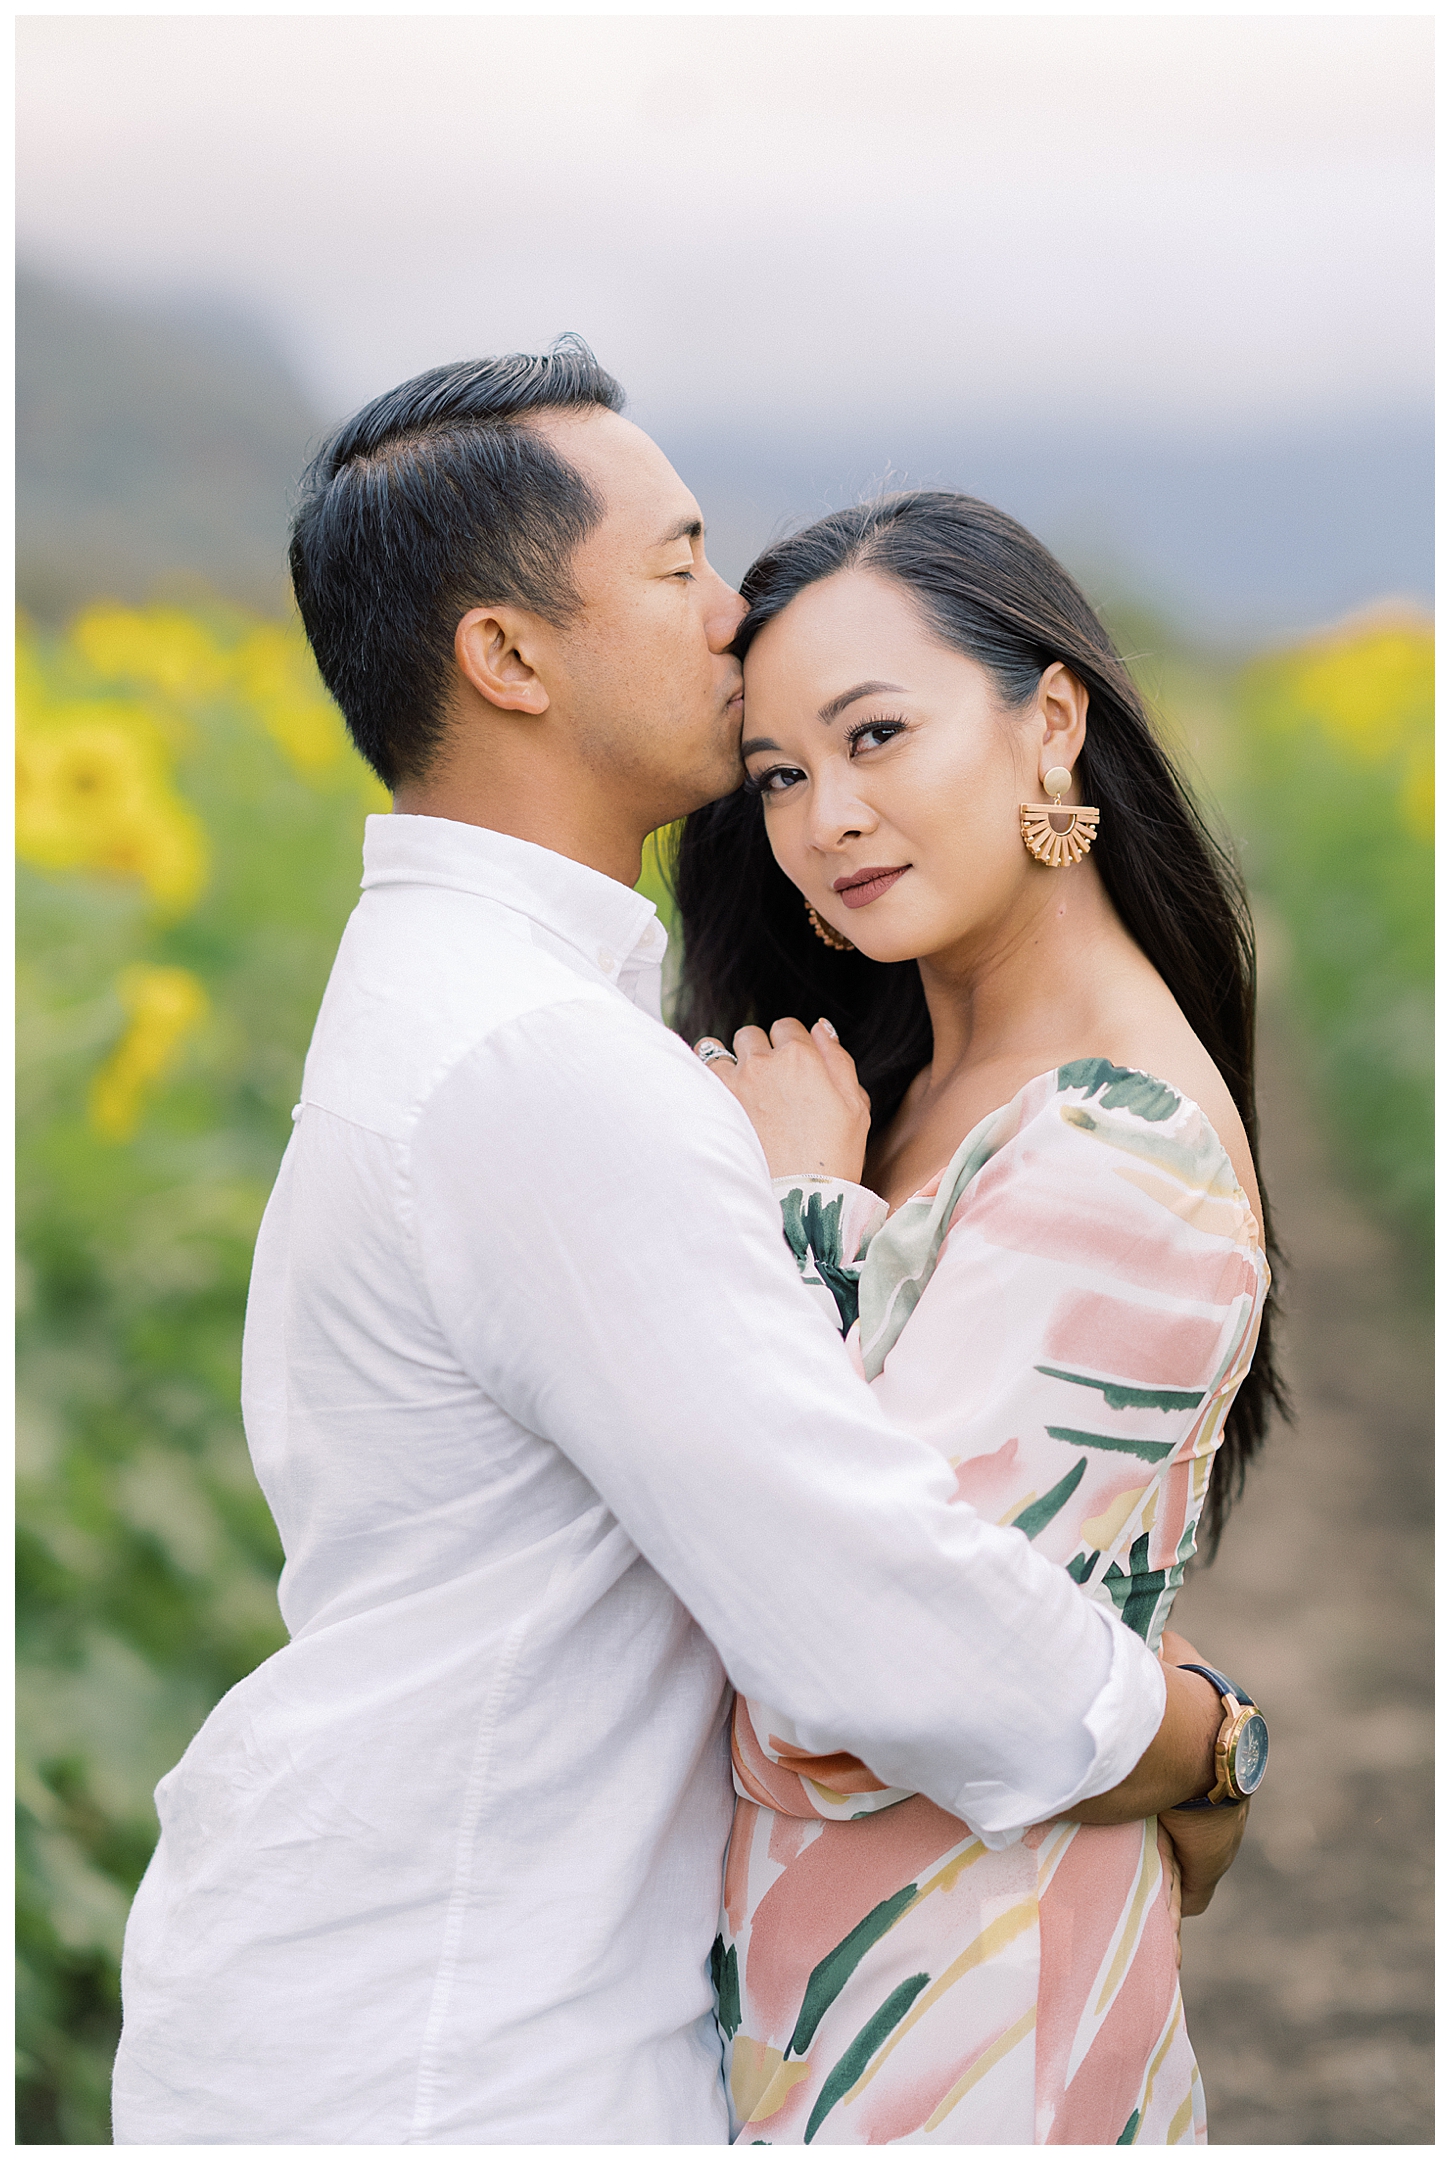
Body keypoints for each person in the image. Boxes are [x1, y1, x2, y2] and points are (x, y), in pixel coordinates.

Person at [111, 345, 1250, 2145]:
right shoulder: (542, 1070)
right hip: (457, 2038)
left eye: (875, 735)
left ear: (1049, 725)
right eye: (679, 563)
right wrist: (1193, 1733)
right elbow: (868, 1626)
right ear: (507, 655)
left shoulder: (485, 1013)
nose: (734, 618)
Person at [673, 492, 1282, 2144]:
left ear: (1051, 725)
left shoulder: (1112, 1145)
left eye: (878, 735)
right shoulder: (917, 1079)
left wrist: (803, 1208)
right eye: (781, 773)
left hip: (968, 2030)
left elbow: (855, 1687)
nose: (827, 816)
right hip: (848, 1995)